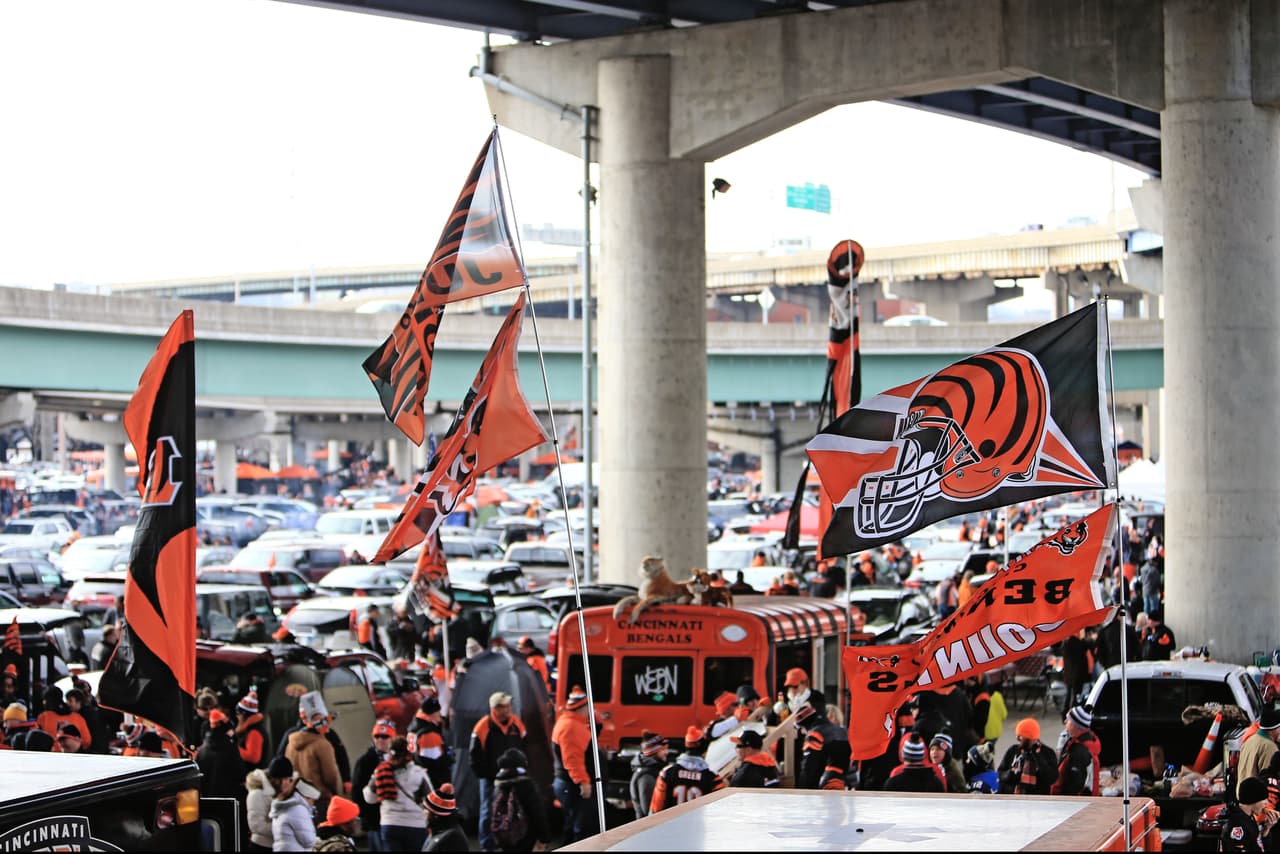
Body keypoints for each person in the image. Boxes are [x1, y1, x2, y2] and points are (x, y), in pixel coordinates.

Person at [472, 691, 528, 852]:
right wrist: (487, 775)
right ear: (495, 708)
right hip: (491, 779)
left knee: (515, 809)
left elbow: (525, 746)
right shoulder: (483, 726)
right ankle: (487, 846)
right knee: (487, 811)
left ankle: (510, 842)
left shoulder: (517, 723)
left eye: (508, 705)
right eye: (504, 706)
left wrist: (522, 770)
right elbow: (474, 756)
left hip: (514, 777)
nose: (508, 709)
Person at [364, 736, 429, 851]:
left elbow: (369, 798)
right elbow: (429, 799)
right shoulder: (419, 773)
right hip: (416, 825)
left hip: (390, 824)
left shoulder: (380, 772)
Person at [551, 686, 599, 843]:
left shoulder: (570, 722)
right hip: (572, 786)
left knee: (573, 825)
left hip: (568, 784)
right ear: (582, 707)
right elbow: (572, 759)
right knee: (579, 828)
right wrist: (583, 782)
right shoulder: (572, 727)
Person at [285, 692, 344, 813]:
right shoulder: (322, 745)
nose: (328, 727)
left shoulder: (290, 744)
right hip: (320, 799)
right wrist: (336, 792)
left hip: (298, 799)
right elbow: (330, 777)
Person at [492, 747, 551, 852]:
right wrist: (544, 838)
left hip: (506, 838)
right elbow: (537, 814)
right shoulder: (526, 785)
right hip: (526, 838)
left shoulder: (498, 786)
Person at [351, 720, 394, 852]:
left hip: (396, 819)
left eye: (385, 736)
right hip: (374, 819)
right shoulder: (365, 761)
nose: (380, 740)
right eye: (377, 736)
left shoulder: (401, 760)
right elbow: (357, 790)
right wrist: (365, 815)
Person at [997, 718, 1059, 795]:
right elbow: (1000, 773)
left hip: (1037, 798)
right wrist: (1010, 774)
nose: (1018, 739)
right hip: (1013, 797)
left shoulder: (1047, 753)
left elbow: (1053, 778)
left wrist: (1038, 759)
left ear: (1030, 738)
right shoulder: (1013, 750)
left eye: (1020, 736)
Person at [1052, 704, 1102, 796]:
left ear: (1075, 725)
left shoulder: (1079, 752)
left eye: (1068, 720)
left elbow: (1074, 785)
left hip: (1070, 802)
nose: (1065, 722)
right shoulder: (1081, 743)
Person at [246, 756, 293, 852]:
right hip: (262, 846)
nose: (288, 783)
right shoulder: (257, 794)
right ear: (277, 780)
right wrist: (284, 828)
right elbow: (257, 825)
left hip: (280, 844)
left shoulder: (284, 792)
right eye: (286, 779)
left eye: (290, 779)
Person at [197, 709, 245, 799]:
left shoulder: (201, 751)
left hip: (208, 800)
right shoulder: (230, 748)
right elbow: (240, 775)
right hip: (228, 799)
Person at [1222, 776, 1278, 852]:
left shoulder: (1248, 816)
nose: (1266, 803)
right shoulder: (1237, 825)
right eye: (1264, 799)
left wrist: (1266, 829)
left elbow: (1260, 847)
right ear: (1254, 799)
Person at [407, 696, 452, 791]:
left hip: (416, 774)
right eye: (438, 712)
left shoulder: (415, 725)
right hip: (432, 781)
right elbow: (434, 761)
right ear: (433, 714)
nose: (440, 715)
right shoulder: (429, 734)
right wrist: (450, 759)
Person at [271, 777, 319, 852]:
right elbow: (308, 841)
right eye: (313, 800)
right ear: (308, 796)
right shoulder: (298, 809)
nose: (312, 804)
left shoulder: (284, 806)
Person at [1239, 711, 1280, 798]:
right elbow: (1269, 781)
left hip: (1244, 796)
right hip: (1256, 799)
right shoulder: (1269, 747)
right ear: (1275, 728)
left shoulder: (1250, 740)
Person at [629, 731, 668, 819]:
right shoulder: (646, 777)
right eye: (663, 749)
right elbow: (649, 811)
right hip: (650, 826)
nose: (667, 752)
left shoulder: (651, 771)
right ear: (653, 751)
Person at [422, 784, 468, 852]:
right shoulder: (436, 829)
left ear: (436, 815)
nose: (423, 812)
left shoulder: (453, 837)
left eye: (426, 810)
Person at [236, 689, 268, 769]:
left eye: (238, 714)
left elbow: (253, 757)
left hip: (252, 774)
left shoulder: (254, 732)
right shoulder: (250, 729)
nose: (237, 717)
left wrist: (233, 748)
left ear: (244, 715)